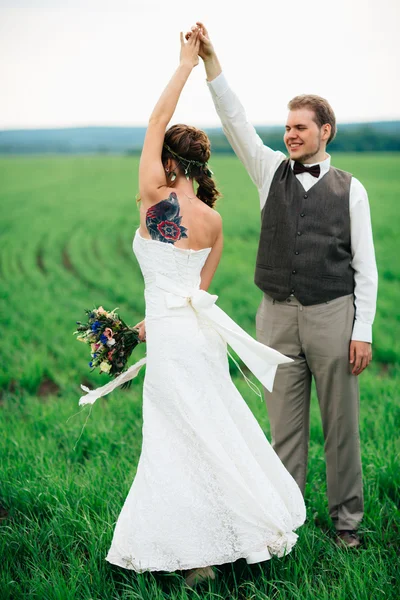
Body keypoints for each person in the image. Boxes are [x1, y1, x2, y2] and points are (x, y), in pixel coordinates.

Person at [80, 29, 306, 587]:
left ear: (168, 164)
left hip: (175, 341)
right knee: (212, 433)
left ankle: (191, 558)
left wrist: (184, 63)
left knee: (172, 445)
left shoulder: (155, 200)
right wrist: (141, 327)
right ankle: (229, 536)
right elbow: (195, 293)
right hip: (196, 338)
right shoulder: (212, 221)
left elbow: (156, 120)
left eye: (159, 155)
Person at [186, 22, 378, 549]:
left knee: (340, 427)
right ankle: (282, 525)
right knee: (283, 432)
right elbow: (236, 119)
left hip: (332, 316)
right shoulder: (269, 170)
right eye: (288, 127)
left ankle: (347, 525)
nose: (291, 134)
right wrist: (210, 62)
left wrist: (362, 331)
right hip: (275, 316)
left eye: (301, 127)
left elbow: (367, 268)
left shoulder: (351, 190)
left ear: (325, 132)